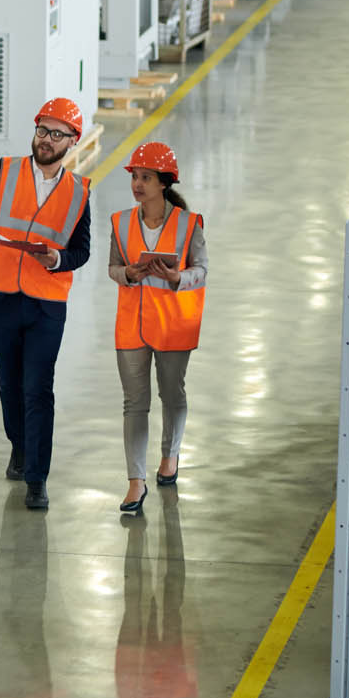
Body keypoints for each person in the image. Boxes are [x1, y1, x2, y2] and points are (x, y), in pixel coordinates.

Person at [0, 97, 93, 511]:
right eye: (41, 131)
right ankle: (18, 445)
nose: (45, 140)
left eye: (55, 134)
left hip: (46, 304)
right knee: (9, 386)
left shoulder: (79, 192)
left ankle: (37, 477)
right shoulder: (3, 171)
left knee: (38, 389)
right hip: (0, 298)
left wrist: (57, 260)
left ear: (72, 141)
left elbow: (82, 250)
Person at [108, 141, 207, 515]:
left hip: (172, 324)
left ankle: (171, 454)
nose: (137, 184)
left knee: (171, 392)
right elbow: (113, 268)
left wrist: (178, 276)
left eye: (145, 177)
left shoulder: (188, 224)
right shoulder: (119, 222)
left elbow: (202, 271)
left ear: (163, 182)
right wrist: (129, 273)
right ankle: (135, 481)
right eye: (135, 176)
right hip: (132, 324)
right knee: (134, 403)